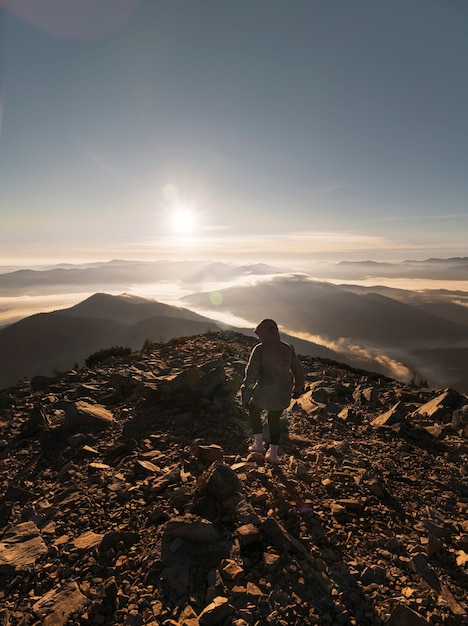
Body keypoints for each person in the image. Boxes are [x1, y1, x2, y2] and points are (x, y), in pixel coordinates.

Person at [240, 318, 305, 464]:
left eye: (260, 335)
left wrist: (246, 394)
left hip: (265, 390)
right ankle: (273, 454)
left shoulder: (260, 349)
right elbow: (298, 371)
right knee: (274, 420)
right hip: (283, 392)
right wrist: (298, 388)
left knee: (254, 411)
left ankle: (258, 445)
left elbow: (251, 374)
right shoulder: (288, 348)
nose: (259, 338)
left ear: (264, 334)